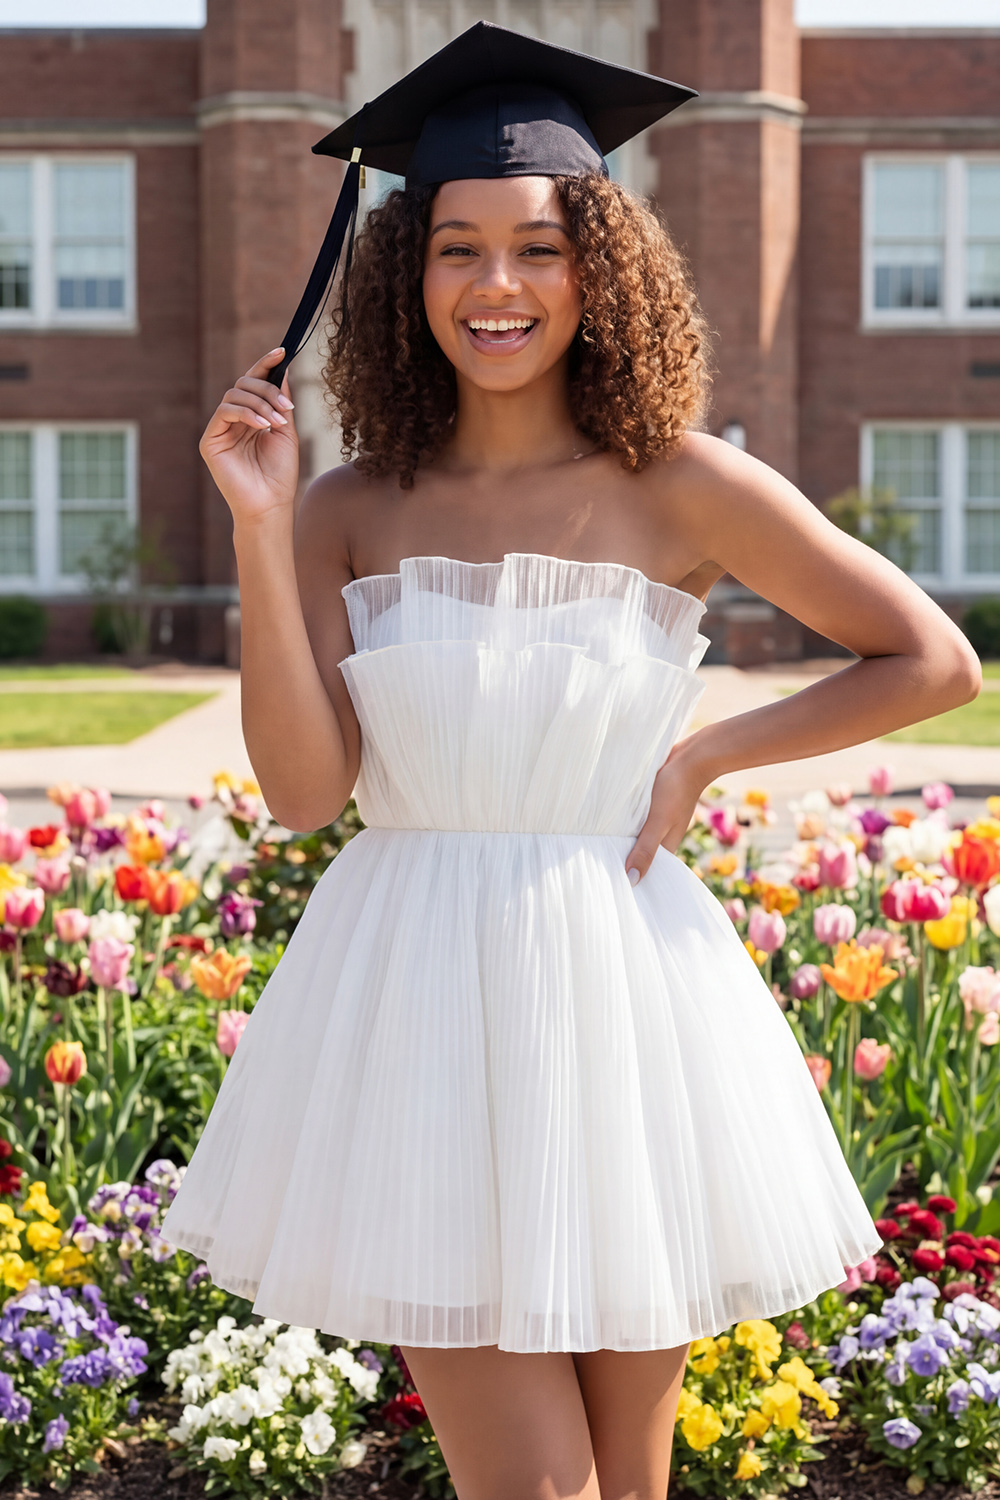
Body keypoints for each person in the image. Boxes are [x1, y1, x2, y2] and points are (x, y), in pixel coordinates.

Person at [160, 24, 981, 1500]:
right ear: (407, 277)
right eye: (457, 249)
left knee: (628, 1483)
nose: (498, 286)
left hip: (619, 1002)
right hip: (416, 1002)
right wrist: (259, 528)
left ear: (600, 267)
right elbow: (302, 794)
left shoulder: (683, 482)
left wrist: (707, 757)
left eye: (538, 248)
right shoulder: (346, 506)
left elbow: (930, 658)